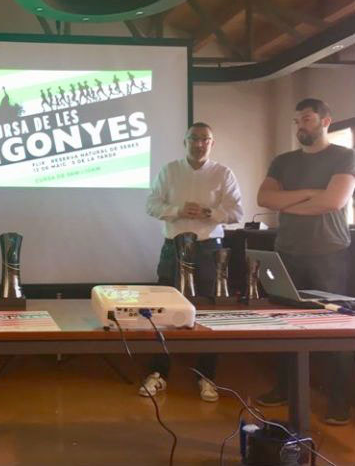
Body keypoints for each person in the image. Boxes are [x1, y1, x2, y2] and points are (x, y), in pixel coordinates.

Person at [256, 98, 355, 425]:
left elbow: (334, 201)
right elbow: (264, 198)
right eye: (297, 120)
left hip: (329, 254)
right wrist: (311, 193)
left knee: (336, 327)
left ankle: (339, 400)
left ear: (326, 121)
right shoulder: (283, 161)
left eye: (308, 119)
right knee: (285, 323)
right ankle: (284, 387)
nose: (301, 126)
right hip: (288, 252)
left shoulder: (344, 156)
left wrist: (288, 203)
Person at [144, 122, 243, 401]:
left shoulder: (223, 173)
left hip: (208, 249)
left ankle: (206, 376)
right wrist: (177, 210)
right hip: (173, 247)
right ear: (185, 141)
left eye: (205, 139)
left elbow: (237, 212)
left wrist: (211, 213)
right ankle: (158, 373)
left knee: (209, 312)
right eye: (194, 139)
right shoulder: (169, 170)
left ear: (212, 143)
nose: (199, 144)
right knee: (162, 310)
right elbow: (151, 205)